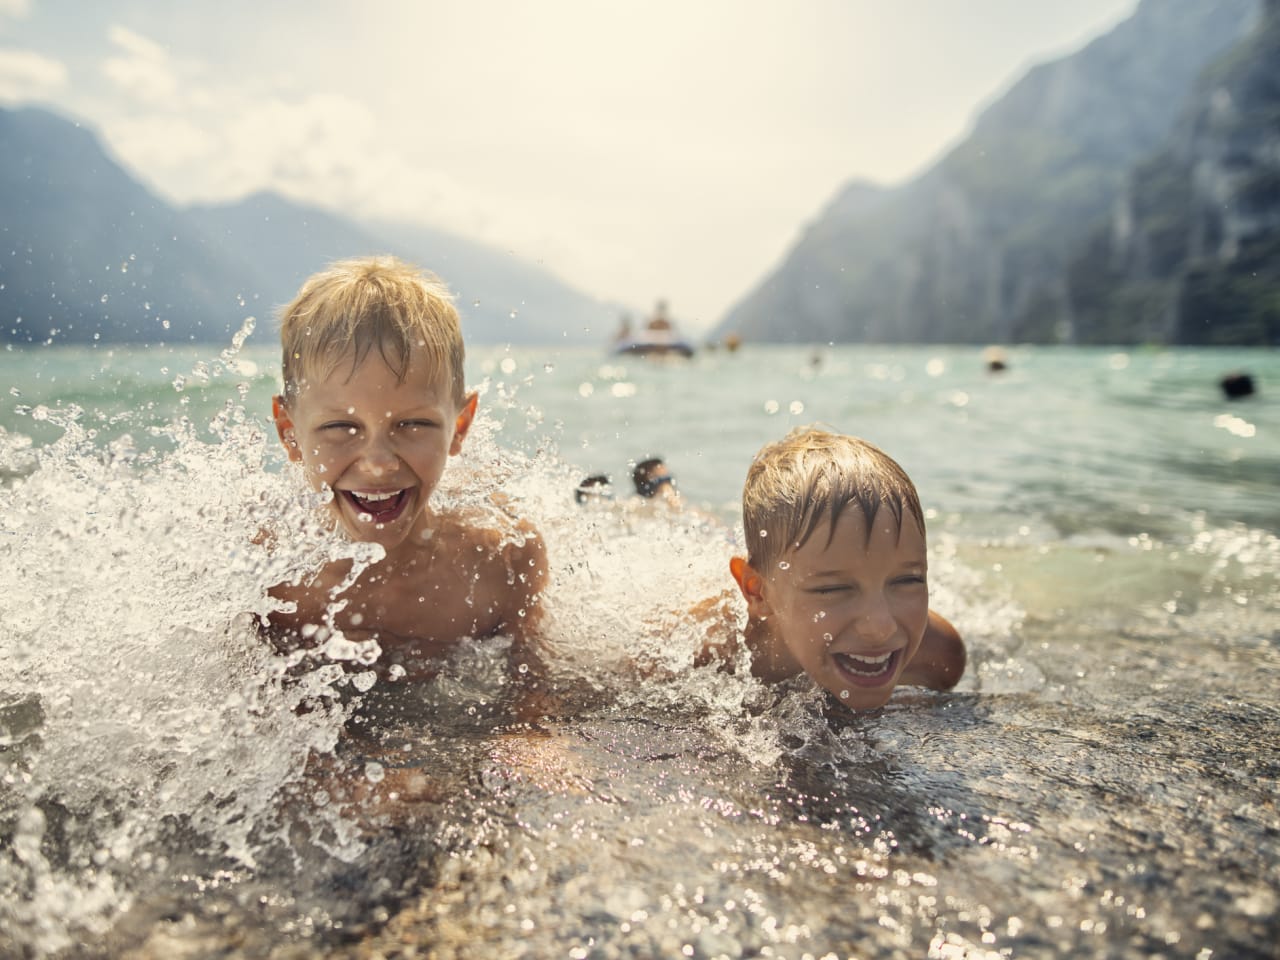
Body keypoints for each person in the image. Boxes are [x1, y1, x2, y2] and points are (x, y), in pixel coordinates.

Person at [263, 256, 548, 683]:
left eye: (412, 425)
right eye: (341, 427)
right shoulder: (267, 573)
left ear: (460, 426)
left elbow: (531, 686)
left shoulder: (500, 561)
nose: (378, 464)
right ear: (290, 434)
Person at [697, 426, 965, 712]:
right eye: (833, 589)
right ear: (758, 593)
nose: (881, 627)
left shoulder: (936, 657)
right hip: (703, 564)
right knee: (703, 525)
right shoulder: (706, 649)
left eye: (907, 580)